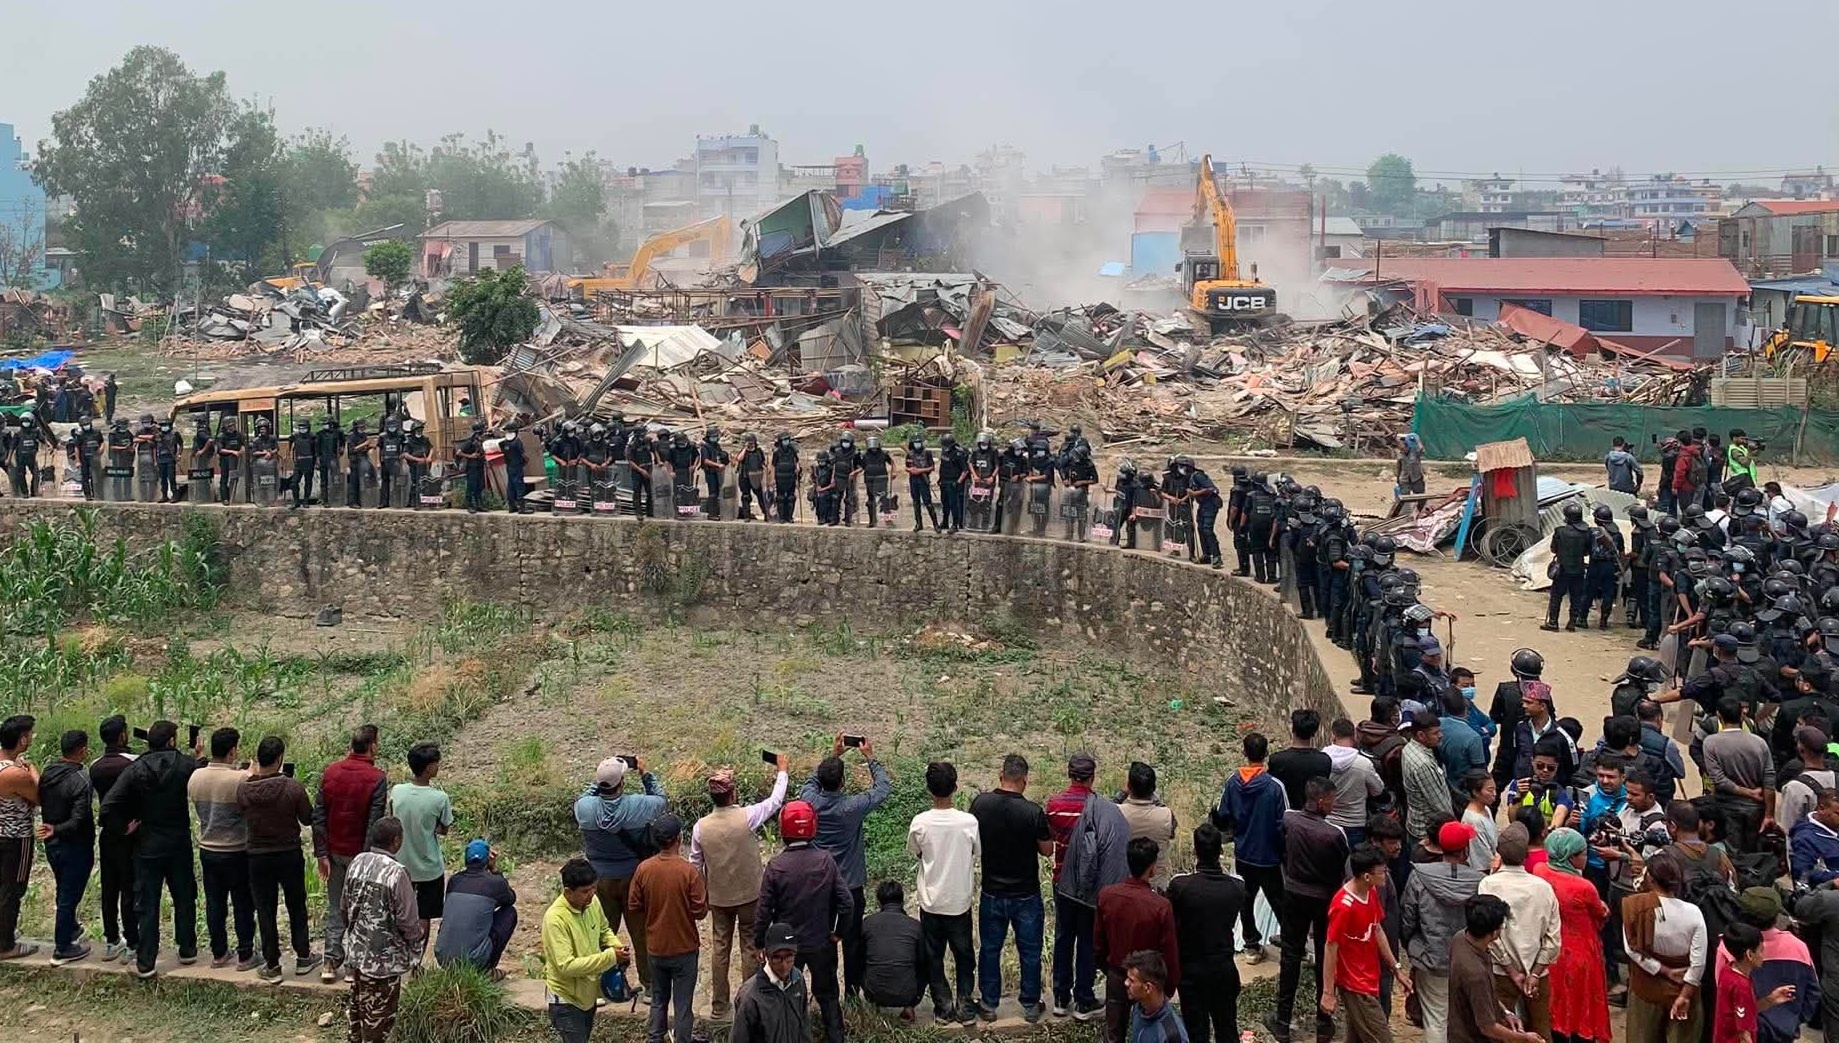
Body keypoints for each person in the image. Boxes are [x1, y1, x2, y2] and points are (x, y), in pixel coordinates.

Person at [98, 719, 202, 977]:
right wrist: (200, 756)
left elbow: (108, 806)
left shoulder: (136, 769)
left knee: (147, 903)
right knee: (184, 897)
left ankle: (146, 960)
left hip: (147, 845)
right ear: (172, 741)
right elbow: (201, 770)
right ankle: (187, 949)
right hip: (177, 842)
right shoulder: (185, 765)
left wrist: (123, 828)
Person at [690, 759, 789, 1021]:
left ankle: (719, 1006)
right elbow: (775, 801)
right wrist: (782, 771)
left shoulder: (701, 827)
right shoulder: (747, 816)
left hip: (719, 898)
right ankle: (747, 1003)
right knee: (749, 946)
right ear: (733, 794)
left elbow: (694, 865)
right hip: (749, 895)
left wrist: (701, 896)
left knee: (720, 947)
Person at [799, 732, 893, 997]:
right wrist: (870, 758)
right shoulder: (853, 806)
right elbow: (883, 788)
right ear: (843, 782)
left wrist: (834, 755)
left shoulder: (811, 802)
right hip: (850, 885)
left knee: (824, 940)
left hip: (820, 884)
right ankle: (852, 992)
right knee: (852, 941)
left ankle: (826, 992)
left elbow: (809, 783)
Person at [755, 801, 851, 1043]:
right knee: (828, 996)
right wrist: (838, 933)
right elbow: (846, 903)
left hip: (786, 947)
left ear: (782, 829)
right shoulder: (826, 861)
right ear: (813, 827)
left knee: (781, 996)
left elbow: (763, 910)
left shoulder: (776, 866)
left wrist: (760, 943)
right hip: (821, 942)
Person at [968, 754, 1052, 1022]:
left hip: (992, 891)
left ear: (1000, 775)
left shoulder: (980, 804)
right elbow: (1047, 850)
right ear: (1025, 781)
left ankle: (989, 1004)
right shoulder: (1032, 812)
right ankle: (1029, 1005)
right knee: (1029, 951)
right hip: (1026, 893)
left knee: (990, 949)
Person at [1267, 777, 1350, 1043]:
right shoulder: (1334, 834)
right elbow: (1340, 867)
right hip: (1325, 898)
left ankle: (1282, 1021)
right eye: (1333, 799)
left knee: (1290, 955)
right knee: (1326, 954)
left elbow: (1280, 846)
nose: (1334, 804)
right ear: (1321, 800)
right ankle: (1324, 1019)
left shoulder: (1290, 820)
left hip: (1293, 893)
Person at [1049, 752, 1130, 1021]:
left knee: (1063, 938)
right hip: (1093, 888)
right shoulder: (1101, 807)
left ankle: (1060, 998)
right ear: (1092, 777)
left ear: (1069, 774)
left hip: (1062, 883)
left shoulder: (1054, 805)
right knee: (1087, 941)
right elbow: (1106, 818)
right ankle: (1084, 999)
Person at [575, 753, 667, 991]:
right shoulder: (638, 805)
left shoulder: (584, 809)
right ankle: (648, 984)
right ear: (622, 783)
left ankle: (598, 986)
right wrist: (645, 774)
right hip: (633, 878)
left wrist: (600, 779)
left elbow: (586, 796)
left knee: (601, 933)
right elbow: (660, 799)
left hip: (599, 880)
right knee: (641, 933)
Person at [238, 736, 321, 981]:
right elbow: (308, 818)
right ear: (280, 759)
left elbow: (243, 811)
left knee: (265, 909)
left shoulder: (243, 789)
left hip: (257, 856)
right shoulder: (292, 787)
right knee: (296, 904)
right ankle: (303, 956)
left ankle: (272, 964)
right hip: (288, 854)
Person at [906, 760, 980, 1023]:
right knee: (964, 955)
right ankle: (965, 1004)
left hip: (931, 901)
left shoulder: (920, 822)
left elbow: (916, 852)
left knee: (933, 956)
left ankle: (943, 1006)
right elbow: (975, 852)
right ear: (956, 787)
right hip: (959, 901)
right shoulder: (968, 822)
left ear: (928, 789)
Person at [315, 725, 387, 984]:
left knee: (336, 908)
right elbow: (374, 822)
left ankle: (329, 962)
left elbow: (319, 815)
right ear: (373, 746)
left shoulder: (331, 772)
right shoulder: (377, 777)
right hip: (360, 854)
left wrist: (321, 852)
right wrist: (368, 858)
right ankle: (353, 965)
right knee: (360, 909)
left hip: (334, 851)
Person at [1401, 819, 1484, 1043]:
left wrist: (1411, 946)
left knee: (1435, 1018)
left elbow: (1408, 918)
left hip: (1430, 957)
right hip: (1467, 960)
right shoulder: (1479, 882)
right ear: (1465, 851)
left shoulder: (1419, 876)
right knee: (1463, 1020)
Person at [342, 818, 423, 1043]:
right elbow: (408, 921)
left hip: (357, 955)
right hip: (383, 964)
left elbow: (344, 907)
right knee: (379, 1021)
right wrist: (415, 947)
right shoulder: (397, 873)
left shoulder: (357, 862)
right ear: (396, 841)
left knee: (357, 1015)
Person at [628, 813, 706, 1043]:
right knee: (683, 1005)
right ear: (678, 839)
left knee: (658, 1000)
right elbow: (700, 910)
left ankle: (654, 1038)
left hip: (655, 948)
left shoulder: (644, 869)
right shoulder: (688, 871)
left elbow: (633, 904)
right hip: (684, 948)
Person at [1477, 824, 1560, 1040]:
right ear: (1526, 855)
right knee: (1541, 1031)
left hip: (1502, 973)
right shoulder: (1543, 887)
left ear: (1499, 853)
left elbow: (1490, 937)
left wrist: (1512, 970)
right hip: (1538, 975)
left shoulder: (1488, 884)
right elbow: (1553, 940)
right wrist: (1533, 973)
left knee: (1504, 1032)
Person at [1097, 838, 1181, 1043]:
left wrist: (1108, 968)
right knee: (1147, 1029)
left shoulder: (1107, 895)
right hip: (1147, 980)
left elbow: (1098, 942)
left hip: (1117, 973)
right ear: (1152, 869)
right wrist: (1168, 987)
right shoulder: (1160, 906)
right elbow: (1170, 952)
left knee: (1114, 1033)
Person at [1534, 829, 1613, 1043]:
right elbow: (1600, 913)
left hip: (1551, 948)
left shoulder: (1540, 870)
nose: (1587, 857)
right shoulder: (1583, 886)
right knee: (1582, 1001)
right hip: (1581, 953)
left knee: (1557, 1000)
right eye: (1584, 853)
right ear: (1571, 857)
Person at [1320, 845, 1404, 1043]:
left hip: (1369, 976)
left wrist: (1396, 968)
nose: (1386, 875)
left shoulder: (1371, 891)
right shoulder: (1343, 907)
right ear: (1367, 876)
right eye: (1382, 872)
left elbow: (1376, 929)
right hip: (1354, 984)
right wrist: (1328, 992)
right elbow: (1330, 947)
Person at [190, 727, 258, 971]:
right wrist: (251, 774)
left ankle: (219, 953)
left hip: (208, 848)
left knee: (214, 903)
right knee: (242, 903)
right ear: (232, 751)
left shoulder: (196, 776)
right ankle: (245, 954)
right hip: (237, 849)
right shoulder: (240, 779)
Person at [1168, 824, 1244, 1043]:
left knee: (1196, 1031)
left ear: (1195, 851)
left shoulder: (1180, 886)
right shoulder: (1236, 888)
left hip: (1192, 971)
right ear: (1220, 851)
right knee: (1227, 1027)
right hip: (1224, 968)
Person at [1623, 851, 1709, 1043]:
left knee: (1642, 1036)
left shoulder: (1635, 908)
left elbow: (1631, 950)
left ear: (1650, 879)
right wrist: (1686, 995)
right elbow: (1698, 963)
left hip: (1646, 987)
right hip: (1682, 987)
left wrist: (1664, 970)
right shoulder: (1693, 913)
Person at [1215, 732, 1285, 964]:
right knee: (1279, 899)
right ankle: (1293, 942)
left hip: (1243, 852)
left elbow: (1222, 814)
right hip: (1270, 855)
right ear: (1266, 754)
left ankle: (1251, 946)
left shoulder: (1232, 782)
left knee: (1246, 899)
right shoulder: (1275, 787)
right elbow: (1285, 820)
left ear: (1244, 752)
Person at [543, 857, 627, 1043]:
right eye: (585, 891)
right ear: (567, 891)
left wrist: (615, 945)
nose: (592, 894)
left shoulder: (592, 903)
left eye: (594, 888)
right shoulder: (555, 919)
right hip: (566, 1000)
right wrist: (610, 957)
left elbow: (604, 930)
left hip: (588, 996)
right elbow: (567, 966)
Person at [387, 742, 452, 953]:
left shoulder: (397, 791)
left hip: (399, 864)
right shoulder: (439, 798)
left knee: (399, 912)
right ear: (429, 768)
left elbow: (391, 817)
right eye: (436, 763)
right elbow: (444, 829)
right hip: (428, 867)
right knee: (423, 915)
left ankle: (399, 956)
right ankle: (416, 962)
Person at [1449, 894, 1540, 1043]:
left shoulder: (1460, 938)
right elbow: (1488, 1027)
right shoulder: (1475, 974)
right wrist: (1524, 1038)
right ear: (1495, 931)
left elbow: (1483, 996)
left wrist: (1505, 1012)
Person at [37, 728, 92, 965]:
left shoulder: (49, 771)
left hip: (53, 845)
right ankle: (62, 948)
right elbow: (79, 819)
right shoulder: (81, 778)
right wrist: (57, 829)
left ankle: (70, 929)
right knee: (69, 895)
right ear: (82, 751)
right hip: (74, 844)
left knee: (63, 890)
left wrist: (52, 830)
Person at [90, 715, 139, 962]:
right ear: (123, 735)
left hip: (107, 833)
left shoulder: (95, 765)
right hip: (130, 832)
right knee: (129, 887)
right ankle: (132, 942)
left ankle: (111, 940)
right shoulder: (133, 762)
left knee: (109, 888)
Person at [434, 840, 517, 976]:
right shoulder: (495, 883)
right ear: (487, 861)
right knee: (510, 912)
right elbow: (510, 899)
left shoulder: (454, 881)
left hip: (443, 958)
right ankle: (485, 969)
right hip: (473, 961)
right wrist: (494, 870)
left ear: (466, 860)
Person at [1703, 697, 1775, 848]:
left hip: (1726, 806)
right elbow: (1769, 779)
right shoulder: (1759, 743)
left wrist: (1748, 793)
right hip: (1756, 808)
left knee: (1731, 851)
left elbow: (1719, 780)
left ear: (1719, 716)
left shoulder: (1711, 743)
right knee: (1753, 851)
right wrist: (1769, 814)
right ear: (1742, 716)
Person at [1715, 923, 1800, 1043]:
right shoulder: (1741, 986)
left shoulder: (1727, 970)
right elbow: (1744, 1036)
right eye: (1761, 950)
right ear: (1750, 954)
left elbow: (1744, 1011)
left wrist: (1771, 999)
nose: (1763, 955)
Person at [860, 880, 929, 1019]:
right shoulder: (915, 926)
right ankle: (910, 1007)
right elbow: (923, 964)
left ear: (879, 902)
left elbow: (859, 959)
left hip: (873, 993)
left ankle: (875, 1005)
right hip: (908, 994)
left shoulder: (868, 923)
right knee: (926, 963)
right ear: (902, 901)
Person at [734, 923, 811, 1043]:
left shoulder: (798, 980)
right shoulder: (750, 996)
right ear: (766, 956)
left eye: (789, 957)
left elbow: (804, 1025)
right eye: (777, 958)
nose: (784, 965)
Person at [1118, 761, 1177, 891]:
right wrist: (1151, 794)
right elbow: (1172, 831)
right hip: (1156, 888)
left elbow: (1106, 810)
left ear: (1129, 786)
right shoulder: (1166, 815)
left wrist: (1122, 793)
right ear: (1153, 788)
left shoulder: (1116, 812)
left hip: (1123, 887)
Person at [1326, 718, 1384, 848]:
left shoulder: (1322, 760)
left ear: (1333, 736)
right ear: (1354, 737)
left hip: (1329, 821)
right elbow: (1378, 790)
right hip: (1355, 823)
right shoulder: (1363, 764)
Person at [1545, 502, 1595, 632]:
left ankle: (1553, 622)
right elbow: (1588, 552)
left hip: (1561, 569)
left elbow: (1553, 549)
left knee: (1556, 596)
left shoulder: (1560, 531)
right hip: (1578, 569)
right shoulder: (1587, 533)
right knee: (1576, 597)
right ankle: (1572, 622)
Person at [1401, 711, 1448, 851]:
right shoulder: (1423, 764)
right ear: (1421, 735)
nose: (1440, 736)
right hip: (1426, 831)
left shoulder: (1409, 748)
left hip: (1416, 822)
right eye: (1435, 733)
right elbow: (1440, 804)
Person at [1269, 709, 1332, 810]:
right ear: (1314, 732)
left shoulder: (1277, 760)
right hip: (1313, 816)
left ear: (1293, 729)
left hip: (1285, 815)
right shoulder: (1324, 761)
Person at [1123, 950, 1190, 1043]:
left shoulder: (1172, 1035)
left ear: (1148, 988)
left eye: (1131, 980)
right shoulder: (1139, 1007)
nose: (1126, 983)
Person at [1790, 786, 1839, 888]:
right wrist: (1833, 878)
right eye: (1838, 813)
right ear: (1821, 809)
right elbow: (1802, 874)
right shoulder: (1806, 838)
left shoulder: (1834, 826)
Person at [1460, 771, 1499, 872]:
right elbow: (1483, 858)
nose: (1494, 794)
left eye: (1495, 789)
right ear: (1476, 792)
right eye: (1490, 790)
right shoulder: (1473, 821)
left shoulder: (1486, 809)